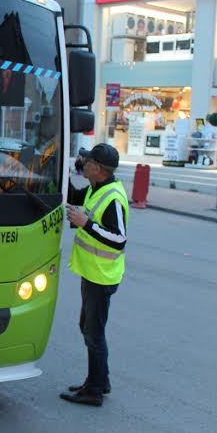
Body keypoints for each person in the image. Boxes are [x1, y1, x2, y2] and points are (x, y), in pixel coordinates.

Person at [61, 143, 128, 407]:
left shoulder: (113, 198)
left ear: (97, 169)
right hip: (93, 273)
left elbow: (119, 238)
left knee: (93, 332)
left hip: (102, 276)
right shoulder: (97, 187)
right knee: (88, 328)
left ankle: (94, 391)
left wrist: (86, 224)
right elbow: (76, 198)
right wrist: (61, 172)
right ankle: (99, 380)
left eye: (87, 161)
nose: (84, 162)